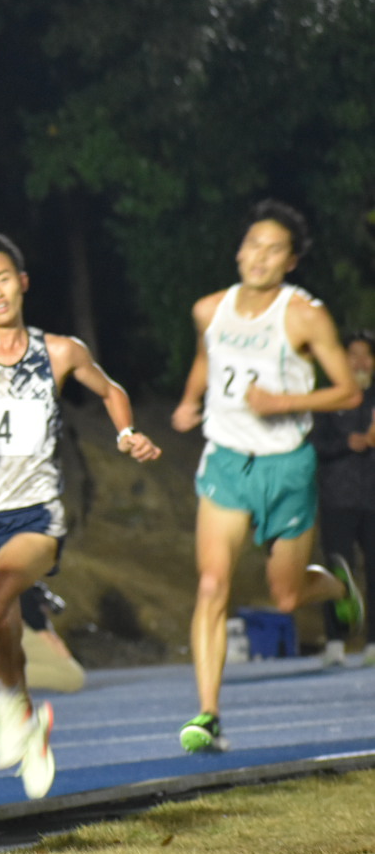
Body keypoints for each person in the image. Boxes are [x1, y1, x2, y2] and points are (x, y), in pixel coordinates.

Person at [0, 232, 160, 798]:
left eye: (3, 278)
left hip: (35, 515)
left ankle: (11, 704)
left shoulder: (60, 351)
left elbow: (110, 388)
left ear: (22, 282)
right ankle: (23, 712)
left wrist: (126, 432)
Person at [171, 201, 363, 750]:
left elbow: (347, 390)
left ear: (291, 261)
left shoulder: (305, 315)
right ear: (239, 251)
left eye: (273, 248)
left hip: (287, 466)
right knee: (211, 585)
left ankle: (336, 584)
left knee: (285, 596)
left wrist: (284, 401)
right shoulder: (209, 309)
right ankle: (208, 714)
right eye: (253, 244)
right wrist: (188, 402)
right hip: (228, 461)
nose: (259, 256)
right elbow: (208, 358)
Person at [309, 329, 375, 666]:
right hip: (338, 496)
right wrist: (344, 445)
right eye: (354, 355)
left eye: (367, 355)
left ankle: (372, 645)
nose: (361, 362)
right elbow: (312, 444)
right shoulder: (330, 398)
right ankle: (335, 642)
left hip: (372, 499)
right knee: (336, 572)